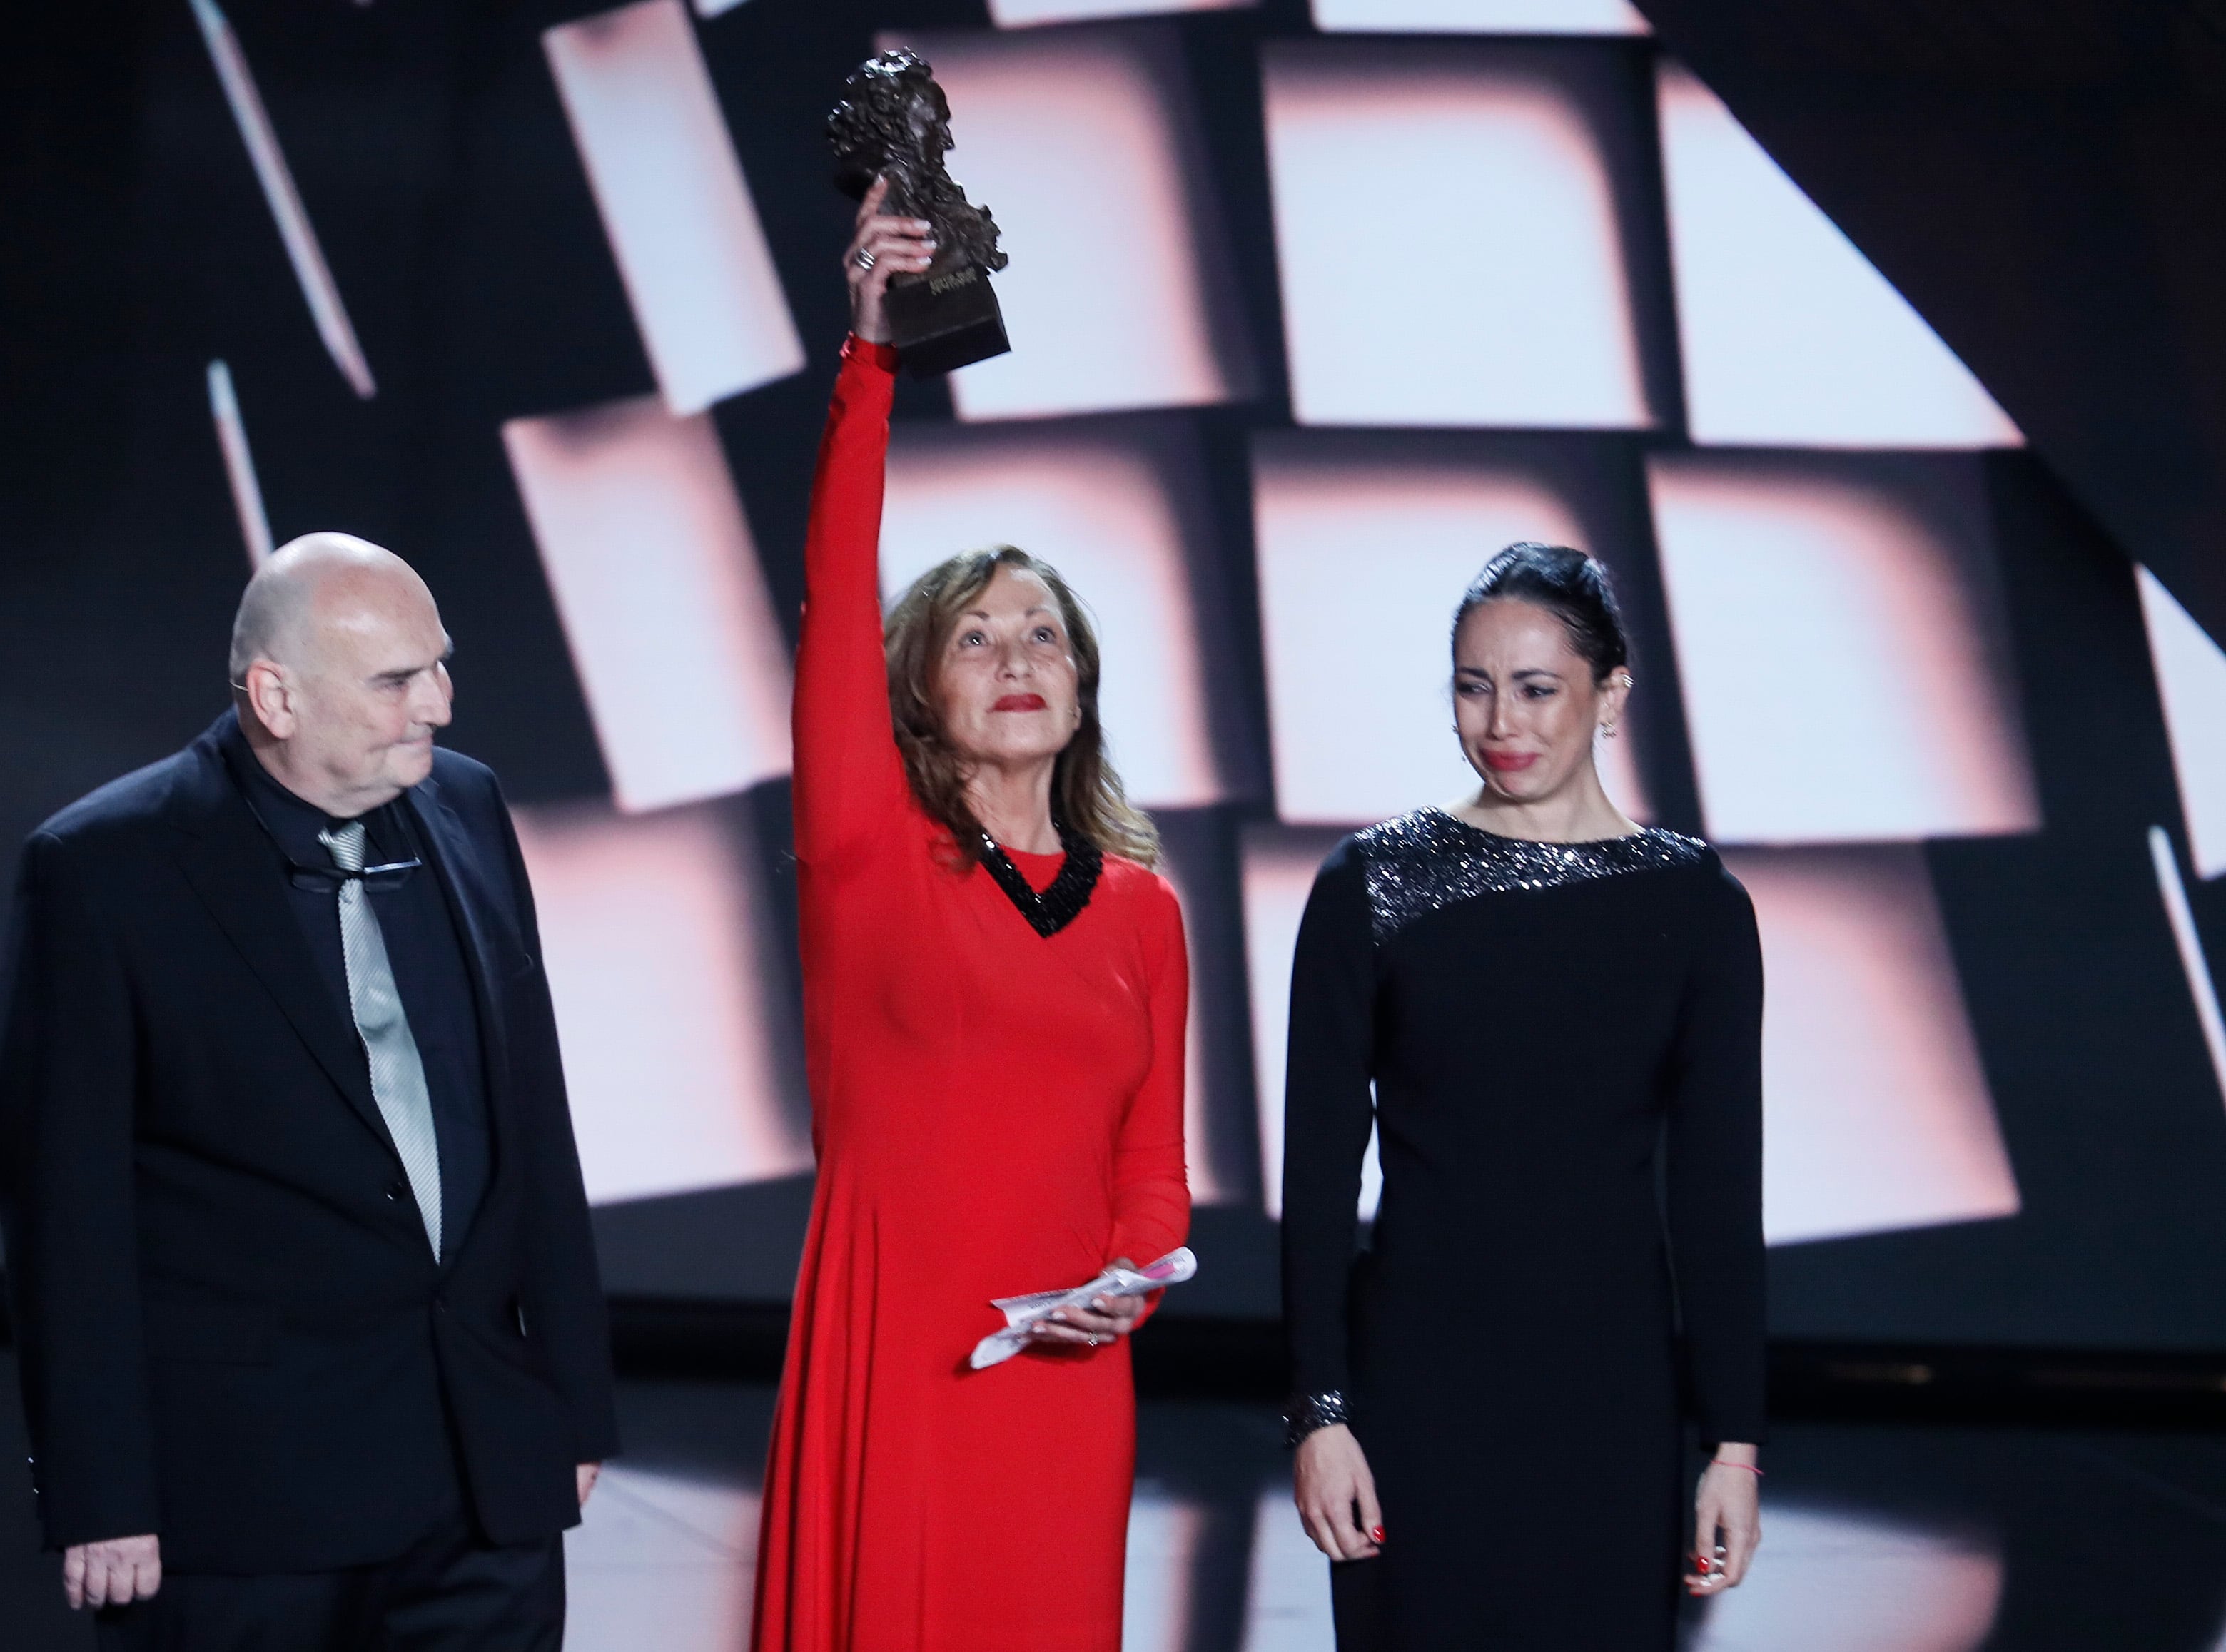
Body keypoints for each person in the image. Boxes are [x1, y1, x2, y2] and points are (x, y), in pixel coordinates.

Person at [0, 533, 617, 1649]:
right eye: (395, 679)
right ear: (275, 695)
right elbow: (66, 1216)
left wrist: (570, 1404)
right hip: (242, 1500)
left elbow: (532, 1119)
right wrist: (103, 1495)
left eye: (439, 664)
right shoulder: (104, 868)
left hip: (482, 1477)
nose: (439, 701)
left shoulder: (468, 809)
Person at [750, 183, 1193, 1652]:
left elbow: (1150, 1170)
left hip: (1064, 1386)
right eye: (974, 634)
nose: (1017, 654)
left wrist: (1125, 1286)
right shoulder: (869, 852)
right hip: (899, 1367)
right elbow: (831, 586)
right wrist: (866, 364)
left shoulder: (1141, 911)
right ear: (915, 694)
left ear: (1082, 685)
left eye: (1044, 631)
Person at [1280, 543, 1766, 1650]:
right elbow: (1315, 1175)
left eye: (1537, 687)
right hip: (1415, 1393)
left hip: (1612, 1398)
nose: (1500, 718)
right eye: (1473, 683)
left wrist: (1733, 1444)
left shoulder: (1694, 904)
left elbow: (1717, 1195)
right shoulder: (1372, 883)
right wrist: (1319, 1412)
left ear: (1612, 693)